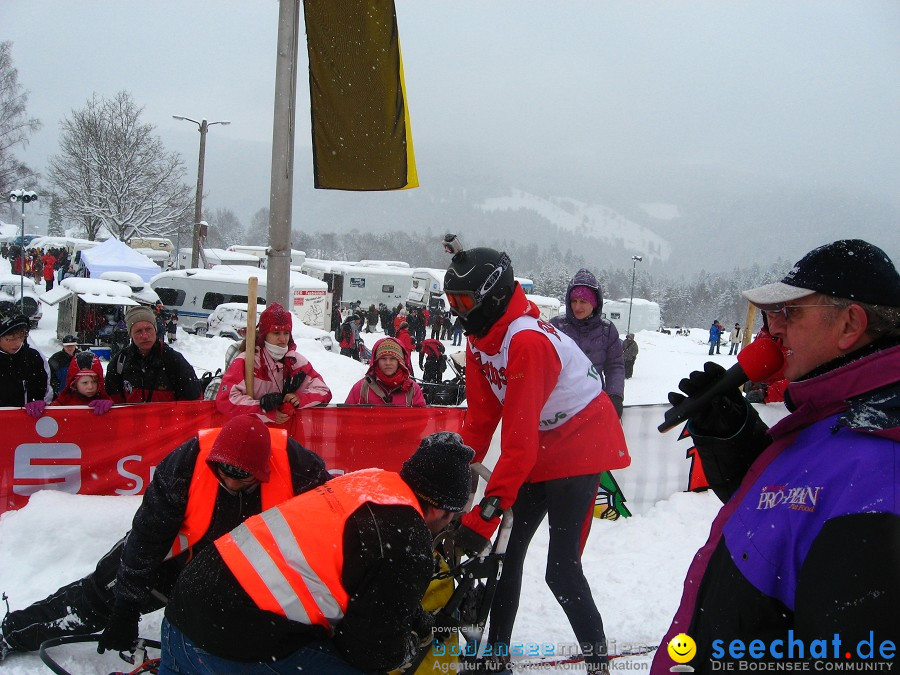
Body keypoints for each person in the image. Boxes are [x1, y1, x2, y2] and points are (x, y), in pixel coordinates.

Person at [653, 239, 900, 674]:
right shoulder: (834, 417)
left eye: (791, 313)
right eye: (773, 315)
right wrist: (734, 436)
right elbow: (785, 523)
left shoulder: (883, 463)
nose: (774, 330)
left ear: (849, 325)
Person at [443, 242, 630, 673]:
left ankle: (599, 665)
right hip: (545, 437)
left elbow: (519, 446)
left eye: (464, 302)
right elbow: (481, 420)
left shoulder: (525, 341)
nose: (457, 313)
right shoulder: (478, 343)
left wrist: (484, 515)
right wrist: (456, 490)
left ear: (490, 295)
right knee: (503, 556)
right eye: (451, 301)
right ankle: (495, 658)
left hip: (582, 439)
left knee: (561, 570)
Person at [0, 415, 332, 659]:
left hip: (252, 573)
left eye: (244, 480)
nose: (231, 484)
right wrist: (126, 608)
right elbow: (147, 536)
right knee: (96, 600)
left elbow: (330, 536)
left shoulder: (303, 471)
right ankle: (12, 634)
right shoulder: (185, 464)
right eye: (224, 474)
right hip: (174, 562)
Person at [158, 432, 475, 673]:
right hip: (225, 647)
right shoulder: (410, 541)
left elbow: (357, 562)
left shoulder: (367, 480)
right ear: (443, 511)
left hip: (181, 617)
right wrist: (405, 646)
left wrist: (410, 615)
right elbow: (369, 650)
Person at [216, 302, 332, 423]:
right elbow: (226, 400)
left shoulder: (297, 363)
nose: (282, 339)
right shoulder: (247, 361)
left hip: (287, 436)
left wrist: (298, 399)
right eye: (276, 333)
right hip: (252, 432)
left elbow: (324, 391)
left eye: (286, 333)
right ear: (264, 335)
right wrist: (261, 408)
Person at [550, 269, 626, 418]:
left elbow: (614, 366)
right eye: (574, 301)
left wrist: (615, 396)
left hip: (594, 404)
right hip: (561, 407)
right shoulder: (556, 327)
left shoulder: (607, 330)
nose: (577, 307)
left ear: (594, 303)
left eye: (583, 301)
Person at [105, 306, 201, 403]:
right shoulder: (119, 362)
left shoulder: (174, 361)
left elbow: (194, 403)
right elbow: (112, 401)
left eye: (148, 329)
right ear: (130, 334)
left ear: (155, 330)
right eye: (138, 331)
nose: (145, 336)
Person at [344, 337, 425, 406]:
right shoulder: (362, 388)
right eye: (383, 358)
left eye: (392, 359)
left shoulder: (412, 389)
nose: (388, 363)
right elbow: (347, 418)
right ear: (376, 361)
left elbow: (421, 419)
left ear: (399, 362)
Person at [0, 314, 52, 417]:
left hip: (27, 422)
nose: (17, 343)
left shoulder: (33, 357)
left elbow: (46, 389)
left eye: (21, 336)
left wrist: (40, 401)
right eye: (11, 338)